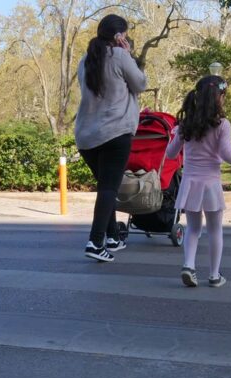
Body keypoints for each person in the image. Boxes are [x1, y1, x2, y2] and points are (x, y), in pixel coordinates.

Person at [165, 75, 231, 287]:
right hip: (211, 184)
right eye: (223, 96)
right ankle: (214, 275)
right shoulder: (222, 124)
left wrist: (175, 134)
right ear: (219, 97)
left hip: (190, 183)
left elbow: (170, 154)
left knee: (193, 229)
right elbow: (225, 153)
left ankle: (189, 265)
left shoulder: (185, 124)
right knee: (215, 230)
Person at [75, 14, 147, 262]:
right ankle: (95, 243)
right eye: (124, 35)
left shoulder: (85, 60)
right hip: (115, 132)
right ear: (119, 36)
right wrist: (129, 55)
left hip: (86, 136)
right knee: (108, 188)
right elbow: (140, 84)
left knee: (106, 187)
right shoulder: (119, 55)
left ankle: (113, 237)